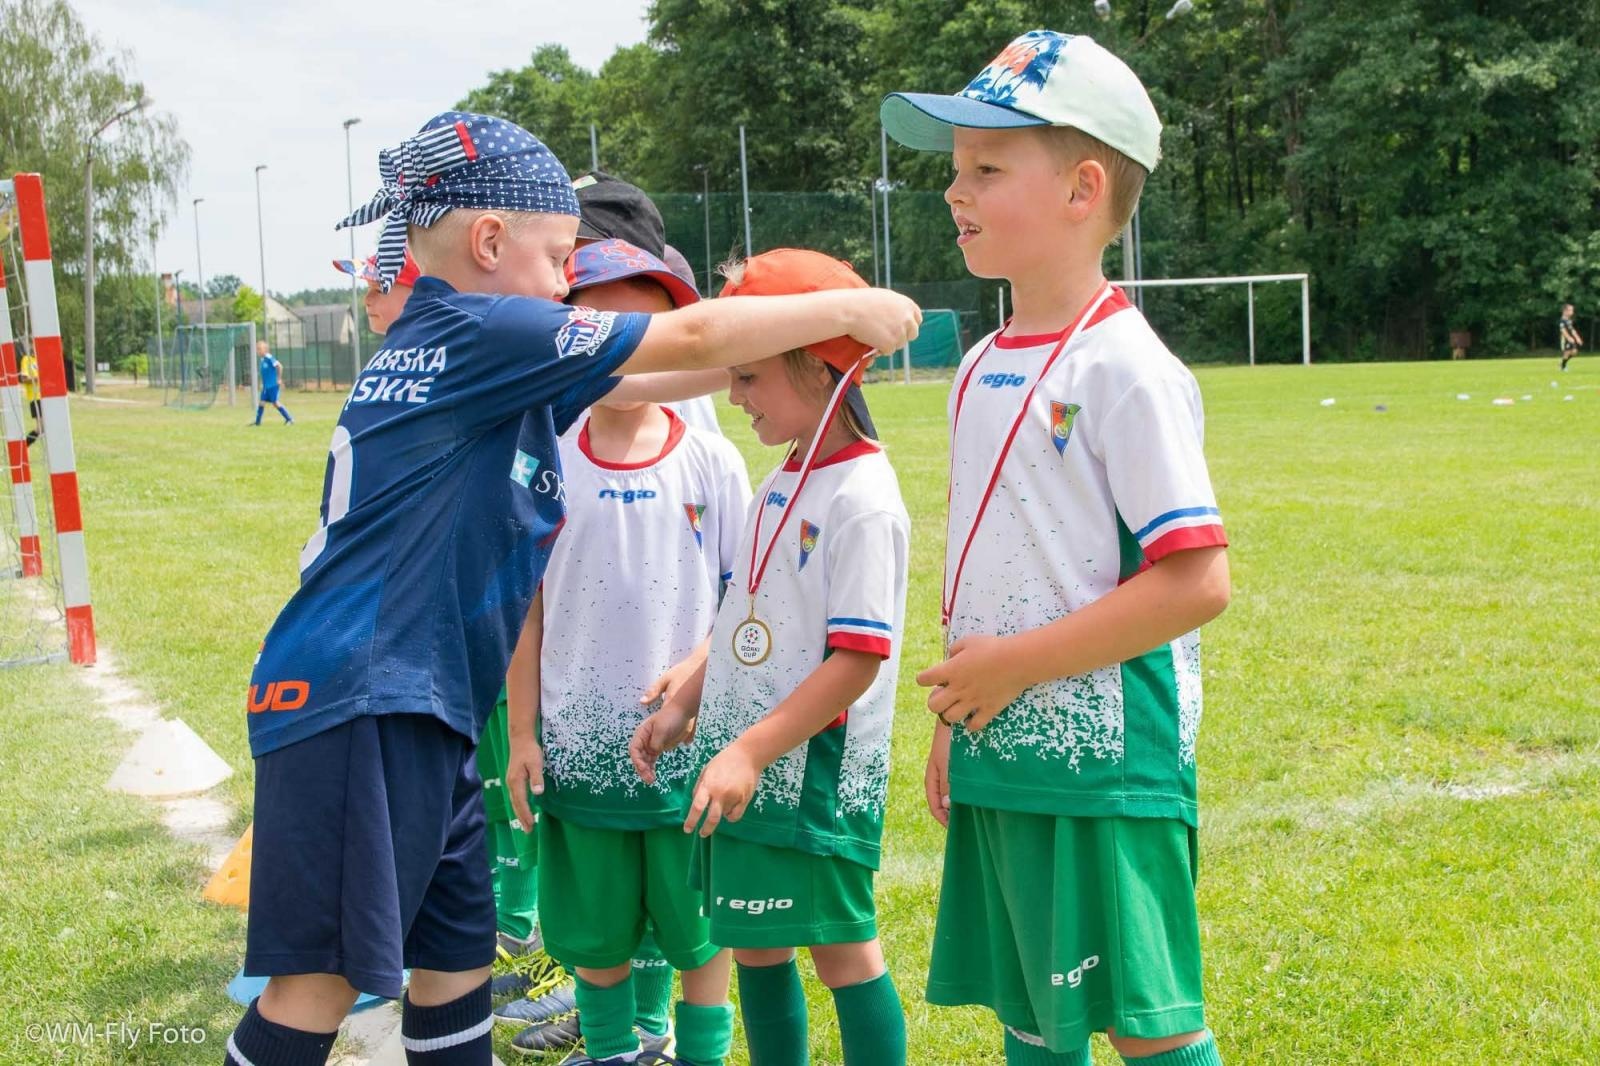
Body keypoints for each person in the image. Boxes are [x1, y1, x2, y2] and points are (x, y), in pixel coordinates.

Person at [224, 111, 918, 1066]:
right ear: (489, 243)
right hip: (366, 698)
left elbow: (650, 379)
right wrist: (853, 314)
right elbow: (696, 328)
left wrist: (783, 366)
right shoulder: (486, 326)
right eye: (559, 258)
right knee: (321, 988)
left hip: (411, 705)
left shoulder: (460, 344)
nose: (566, 284)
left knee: (453, 962)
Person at [882, 31, 1232, 1066]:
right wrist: (960, 711)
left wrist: (1015, 670)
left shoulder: (1126, 367)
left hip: (1104, 759)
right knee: (1033, 1020)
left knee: (1147, 1028)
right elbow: (995, 555)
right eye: (955, 169)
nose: (956, 191)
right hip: (1003, 748)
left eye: (987, 168)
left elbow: (1196, 579)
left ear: (1084, 189)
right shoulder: (978, 362)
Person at [632, 249, 911, 1066]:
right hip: (744, 766)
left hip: (810, 772)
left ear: (819, 365)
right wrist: (689, 705)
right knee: (755, 943)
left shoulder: (863, 499)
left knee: (843, 951)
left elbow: (856, 662)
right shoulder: (784, 477)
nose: (733, 395)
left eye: (749, 376)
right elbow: (743, 619)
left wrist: (749, 750)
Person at [505, 239, 752, 1064]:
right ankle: (613, 1052)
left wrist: (700, 672)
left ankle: (696, 1052)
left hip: (687, 754)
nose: (621, 349)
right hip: (580, 756)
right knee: (596, 934)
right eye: (596, 326)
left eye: (641, 329)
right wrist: (522, 735)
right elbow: (526, 614)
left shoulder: (712, 461)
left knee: (701, 938)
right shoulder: (544, 463)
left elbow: (748, 602)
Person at [252, 341, 294, 426]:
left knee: (275, 403)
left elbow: (280, 366)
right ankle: (257, 422)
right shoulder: (262, 359)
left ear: (265, 349)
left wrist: (279, 379)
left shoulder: (269, 358)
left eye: (259, 349)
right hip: (266, 386)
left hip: (272, 385)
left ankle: (289, 419)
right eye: (257, 349)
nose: (258, 351)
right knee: (261, 402)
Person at [18, 342, 40, 446]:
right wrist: (37, 379)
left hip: (47, 398)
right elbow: (23, 379)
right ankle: (23, 446)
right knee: (41, 428)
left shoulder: (42, 360)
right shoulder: (27, 359)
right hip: (35, 398)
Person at [1559, 303, 1583, 371]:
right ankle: (1563, 367)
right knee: (1567, 352)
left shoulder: (1569, 321)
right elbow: (1563, 330)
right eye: (1570, 310)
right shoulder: (1562, 320)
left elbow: (1572, 330)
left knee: (1574, 352)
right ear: (1565, 311)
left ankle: (1562, 362)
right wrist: (1569, 338)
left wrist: (1578, 338)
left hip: (1571, 339)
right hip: (1566, 339)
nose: (1572, 312)